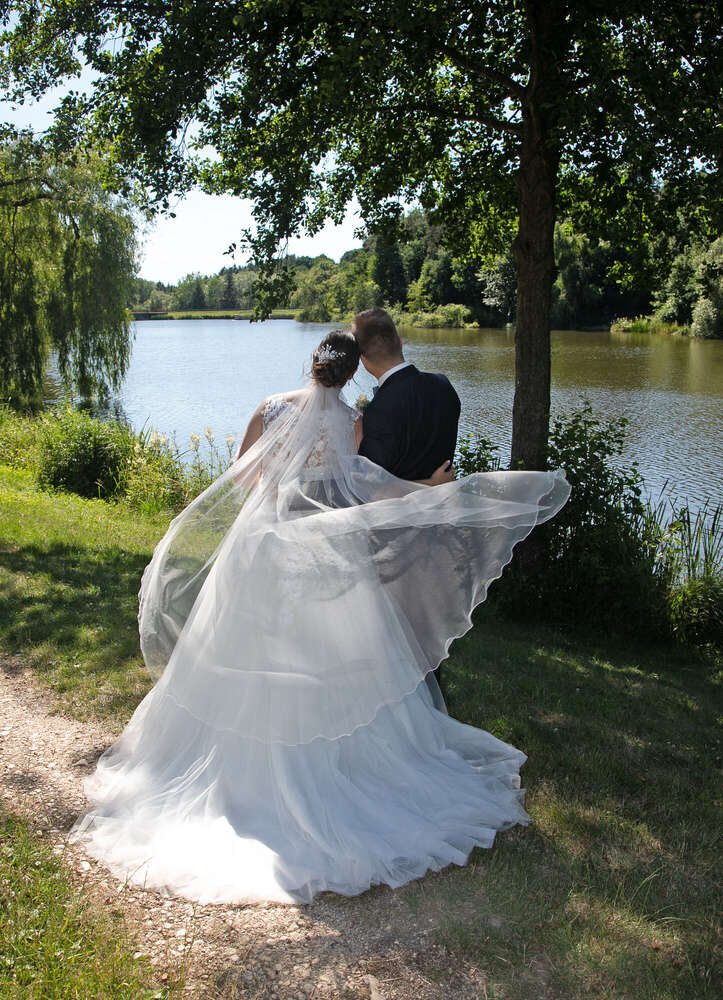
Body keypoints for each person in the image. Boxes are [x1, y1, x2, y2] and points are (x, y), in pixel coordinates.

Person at [69, 329, 570, 905]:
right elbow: (353, 486)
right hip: (325, 548)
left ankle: (238, 770)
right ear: (353, 372)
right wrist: (427, 490)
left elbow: (245, 474)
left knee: (246, 645)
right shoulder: (352, 420)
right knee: (334, 648)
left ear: (313, 362)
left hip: (264, 541)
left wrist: (278, 489)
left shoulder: (271, 407)